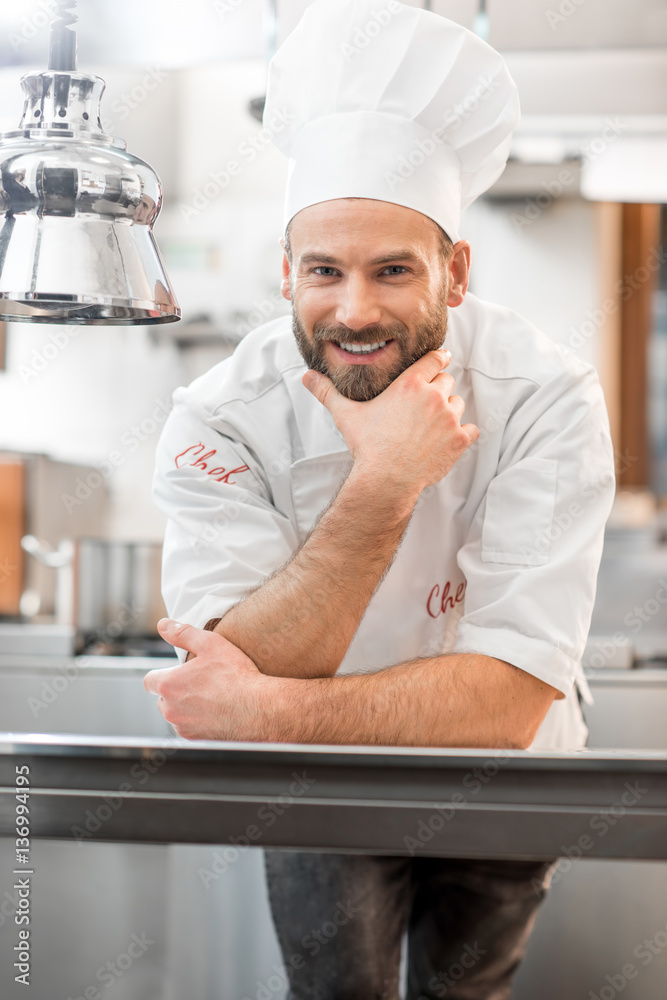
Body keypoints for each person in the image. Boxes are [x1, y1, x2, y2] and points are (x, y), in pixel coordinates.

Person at [144, 2, 616, 996]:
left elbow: (506, 699)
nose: (354, 310)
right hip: (318, 781)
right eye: (324, 270)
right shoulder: (219, 414)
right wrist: (386, 482)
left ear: (454, 271)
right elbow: (241, 648)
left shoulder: (546, 396)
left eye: (393, 270)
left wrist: (268, 708)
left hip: (502, 783)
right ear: (285, 274)